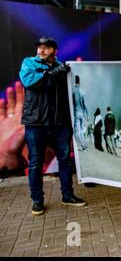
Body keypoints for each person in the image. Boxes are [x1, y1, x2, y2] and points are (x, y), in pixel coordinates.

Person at [19, 37, 86, 216]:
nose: (41, 50)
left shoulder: (63, 67)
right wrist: (55, 73)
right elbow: (30, 81)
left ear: (54, 51)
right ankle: (37, 201)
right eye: (39, 47)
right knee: (35, 163)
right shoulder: (29, 63)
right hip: (36, 122)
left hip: (59, 122)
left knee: (65, 160)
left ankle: (68, 195)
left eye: (46, 48)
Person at [72, 75, 89, 151]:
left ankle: (82, 145)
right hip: (82, 113)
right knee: (82, 130)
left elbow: (72, 103)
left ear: (75, 81)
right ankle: (84, 145)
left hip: (76, 112)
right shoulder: (82, 90)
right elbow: (85, 104)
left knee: (78, 131)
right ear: (79, 81)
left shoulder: (72, 90)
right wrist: (87, 115)